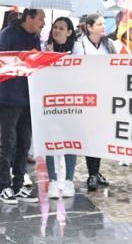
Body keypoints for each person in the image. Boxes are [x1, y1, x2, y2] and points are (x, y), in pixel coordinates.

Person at [0, 8, 45, 204]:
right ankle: (4, 186)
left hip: (28, 98)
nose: (44, 23)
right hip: (8, 97)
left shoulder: (35, 37)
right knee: (9, 143)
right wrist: (24, 57)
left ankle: (18, 184)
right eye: (41, 18)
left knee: (24, 143)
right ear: (28, 18)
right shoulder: (8, 33)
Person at [73, 14, 117, 192]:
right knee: (90, 135)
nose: (103, 26)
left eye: (103, 23)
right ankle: (91, 173)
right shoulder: (80, 45)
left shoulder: (109, 44)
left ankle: (96, 171)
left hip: (104, 94)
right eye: (99, 24)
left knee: (100, 135)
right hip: (87, 96)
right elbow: (77, 67)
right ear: (89, 27)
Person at [43, 17, 78, 198]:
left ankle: (70, 180)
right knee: (51, 141)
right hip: (50, 102)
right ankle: (53, 180)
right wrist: (47, 57)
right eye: (55, 27)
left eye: (61, 28)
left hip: (72, 102)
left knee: (71, 140)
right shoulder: (45, 48)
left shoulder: (78, 50)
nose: (57, 31)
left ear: (69, 32)